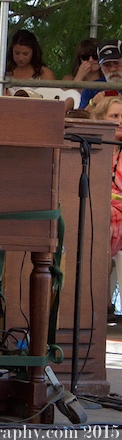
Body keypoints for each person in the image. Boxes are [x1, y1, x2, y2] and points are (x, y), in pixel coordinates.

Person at [89, 94, 122, 318]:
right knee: (98, 218)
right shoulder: (92, 150)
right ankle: (95, 300)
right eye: (115, 116)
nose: (121, 121)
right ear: (101, 119)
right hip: (99, 211)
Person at [80, 39, 122, 109]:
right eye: (107, 65)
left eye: (116, 63)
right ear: (101, 67)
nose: (112, 69)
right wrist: (93, 103)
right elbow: (79, 118)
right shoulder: (91, 88)